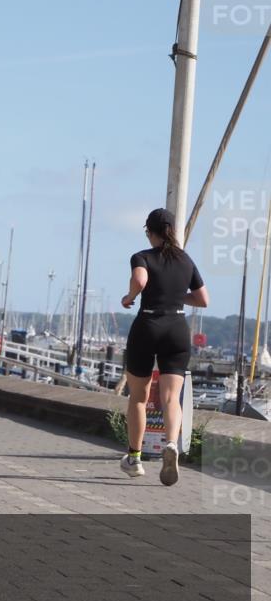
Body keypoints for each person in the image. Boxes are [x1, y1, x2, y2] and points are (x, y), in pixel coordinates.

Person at [119, 208, 208, 486]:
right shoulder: (186, 260)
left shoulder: (142, 256)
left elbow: (140, 280)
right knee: (171, 398)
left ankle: (134, 459)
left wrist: (130, 297)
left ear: (150, 232)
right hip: (177, 328)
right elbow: (203, 299)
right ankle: (170, 443)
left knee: (139, 397)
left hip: (148, 325)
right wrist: (175, 296)